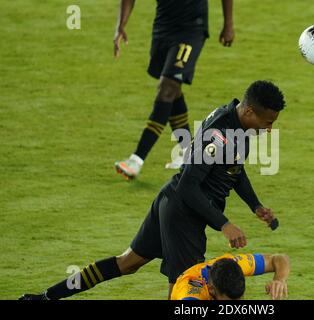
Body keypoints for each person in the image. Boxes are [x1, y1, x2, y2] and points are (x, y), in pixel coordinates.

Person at [19, 80, 286, 300]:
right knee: (181, 296)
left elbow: (233, 170)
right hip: (184, 214)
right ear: (250, 111)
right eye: (268, 121)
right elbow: (189, 187)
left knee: (127, 262)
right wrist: (224, 224)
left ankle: (45, 298)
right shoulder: (219, 134)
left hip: (171, 203)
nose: (270, 128)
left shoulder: (237, 124)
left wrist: (255, 205)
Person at [114, 0, 235, 180]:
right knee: (173, 90)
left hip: (191, 29)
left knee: (167, 88)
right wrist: (121, 25)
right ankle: (189, 153)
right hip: (163, 27)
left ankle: (136, 160)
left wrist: (228, 24)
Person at [171, 253, 290, 300]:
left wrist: (279, 280)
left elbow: (279, 258)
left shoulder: (235, 264)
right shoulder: (191, 290)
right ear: (211, 289)